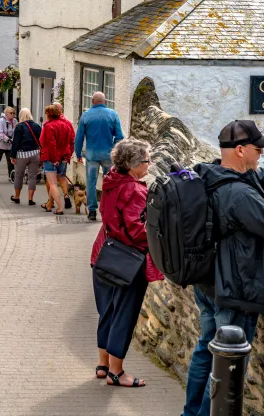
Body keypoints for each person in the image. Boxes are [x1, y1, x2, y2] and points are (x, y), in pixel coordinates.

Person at [182, 120, 264, 416]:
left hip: (209, 283)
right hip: (235, 291)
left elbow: (258, 179)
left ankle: (190, 413)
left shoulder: (213, 173)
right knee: (226, 369)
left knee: (206, 351)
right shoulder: (238, 195)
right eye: (258, 149)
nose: (261, 155)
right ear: (241, 150)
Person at [89, 138, 164, 387]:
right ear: (133, 165)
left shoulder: (111, 179)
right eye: (147, 160)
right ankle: (116, 373)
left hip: (102, 253)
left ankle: (103, 365)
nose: (150, 164)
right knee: (124, 314)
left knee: (107, 312)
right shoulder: (134, 190)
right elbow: (137, 231)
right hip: (127, 261)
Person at [75, 92, 125, 221]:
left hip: (92, 154)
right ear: (105, 101)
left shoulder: (86, 116)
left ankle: (92, 211)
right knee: (110, 182)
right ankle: (109, 208)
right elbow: (119, 136)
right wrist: (114, 149)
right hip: (108, 154)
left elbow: (79, 137)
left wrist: (78, 153)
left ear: (92, 101)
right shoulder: (112, 114)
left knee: (91, 182)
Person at [39, 104, 75, 215]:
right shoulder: (66, 125)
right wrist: (68, 156)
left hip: (51, 158)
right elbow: (71, 142)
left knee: (53, 183)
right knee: (60, 178)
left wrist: (54, 159)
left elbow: (51, 144)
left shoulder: (49, 126)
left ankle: (59, 208)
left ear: (49, 114)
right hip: (63, 157)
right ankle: (49, 205)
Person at [9, 108, 42, 205]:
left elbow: (15, 143)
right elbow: (41, 140)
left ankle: (17, 197)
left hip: (22, 154)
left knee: (19, 176)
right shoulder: (37, 126)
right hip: (35, 153)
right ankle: (30, 199)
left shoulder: (19, 127)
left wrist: (12, 156)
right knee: (32, 177)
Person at [0, 107, 17, 183]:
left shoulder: (15, 121)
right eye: (11, 113)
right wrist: (8, 139)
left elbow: (16, 131)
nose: (12, 115)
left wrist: (14, 139)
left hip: (9, 145)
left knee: (11, 161)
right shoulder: (1, 121)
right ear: (6, 114)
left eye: (13, 113)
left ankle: (11, 176)